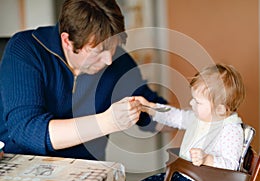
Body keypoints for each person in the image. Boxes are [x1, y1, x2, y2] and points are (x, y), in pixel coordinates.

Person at [0, 0, 167, 160]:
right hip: (22, 164)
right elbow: (27, 131)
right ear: (67, 41)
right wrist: (107, 122)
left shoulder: (118, 61)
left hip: (86, 170)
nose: (109, 60)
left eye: (113, 47)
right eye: (98, 52)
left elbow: (154, 114)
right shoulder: (26, 49)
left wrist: (186, 117)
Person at [132, 63, 246, 181]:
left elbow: (231, 165)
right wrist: (150, 107)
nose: (191, 103)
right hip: (182, 176)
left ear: (220, 109)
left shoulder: (230, 129)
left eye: (198, 102)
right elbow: (176, 116)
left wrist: (207, 158)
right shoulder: (197, 118)